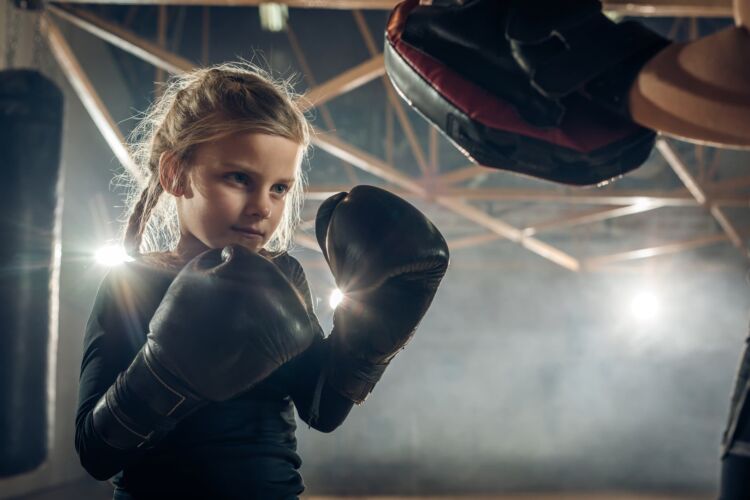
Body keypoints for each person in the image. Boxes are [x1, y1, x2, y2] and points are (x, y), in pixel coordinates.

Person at [74, 62, 449, 499]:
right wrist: (162, 374)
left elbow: (322, 409)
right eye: (239, 178)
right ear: (175, 174)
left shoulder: (281, 276)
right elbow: (94, 452)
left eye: (279, 188)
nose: (262, 207)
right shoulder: (132, 283)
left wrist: (374, 326)